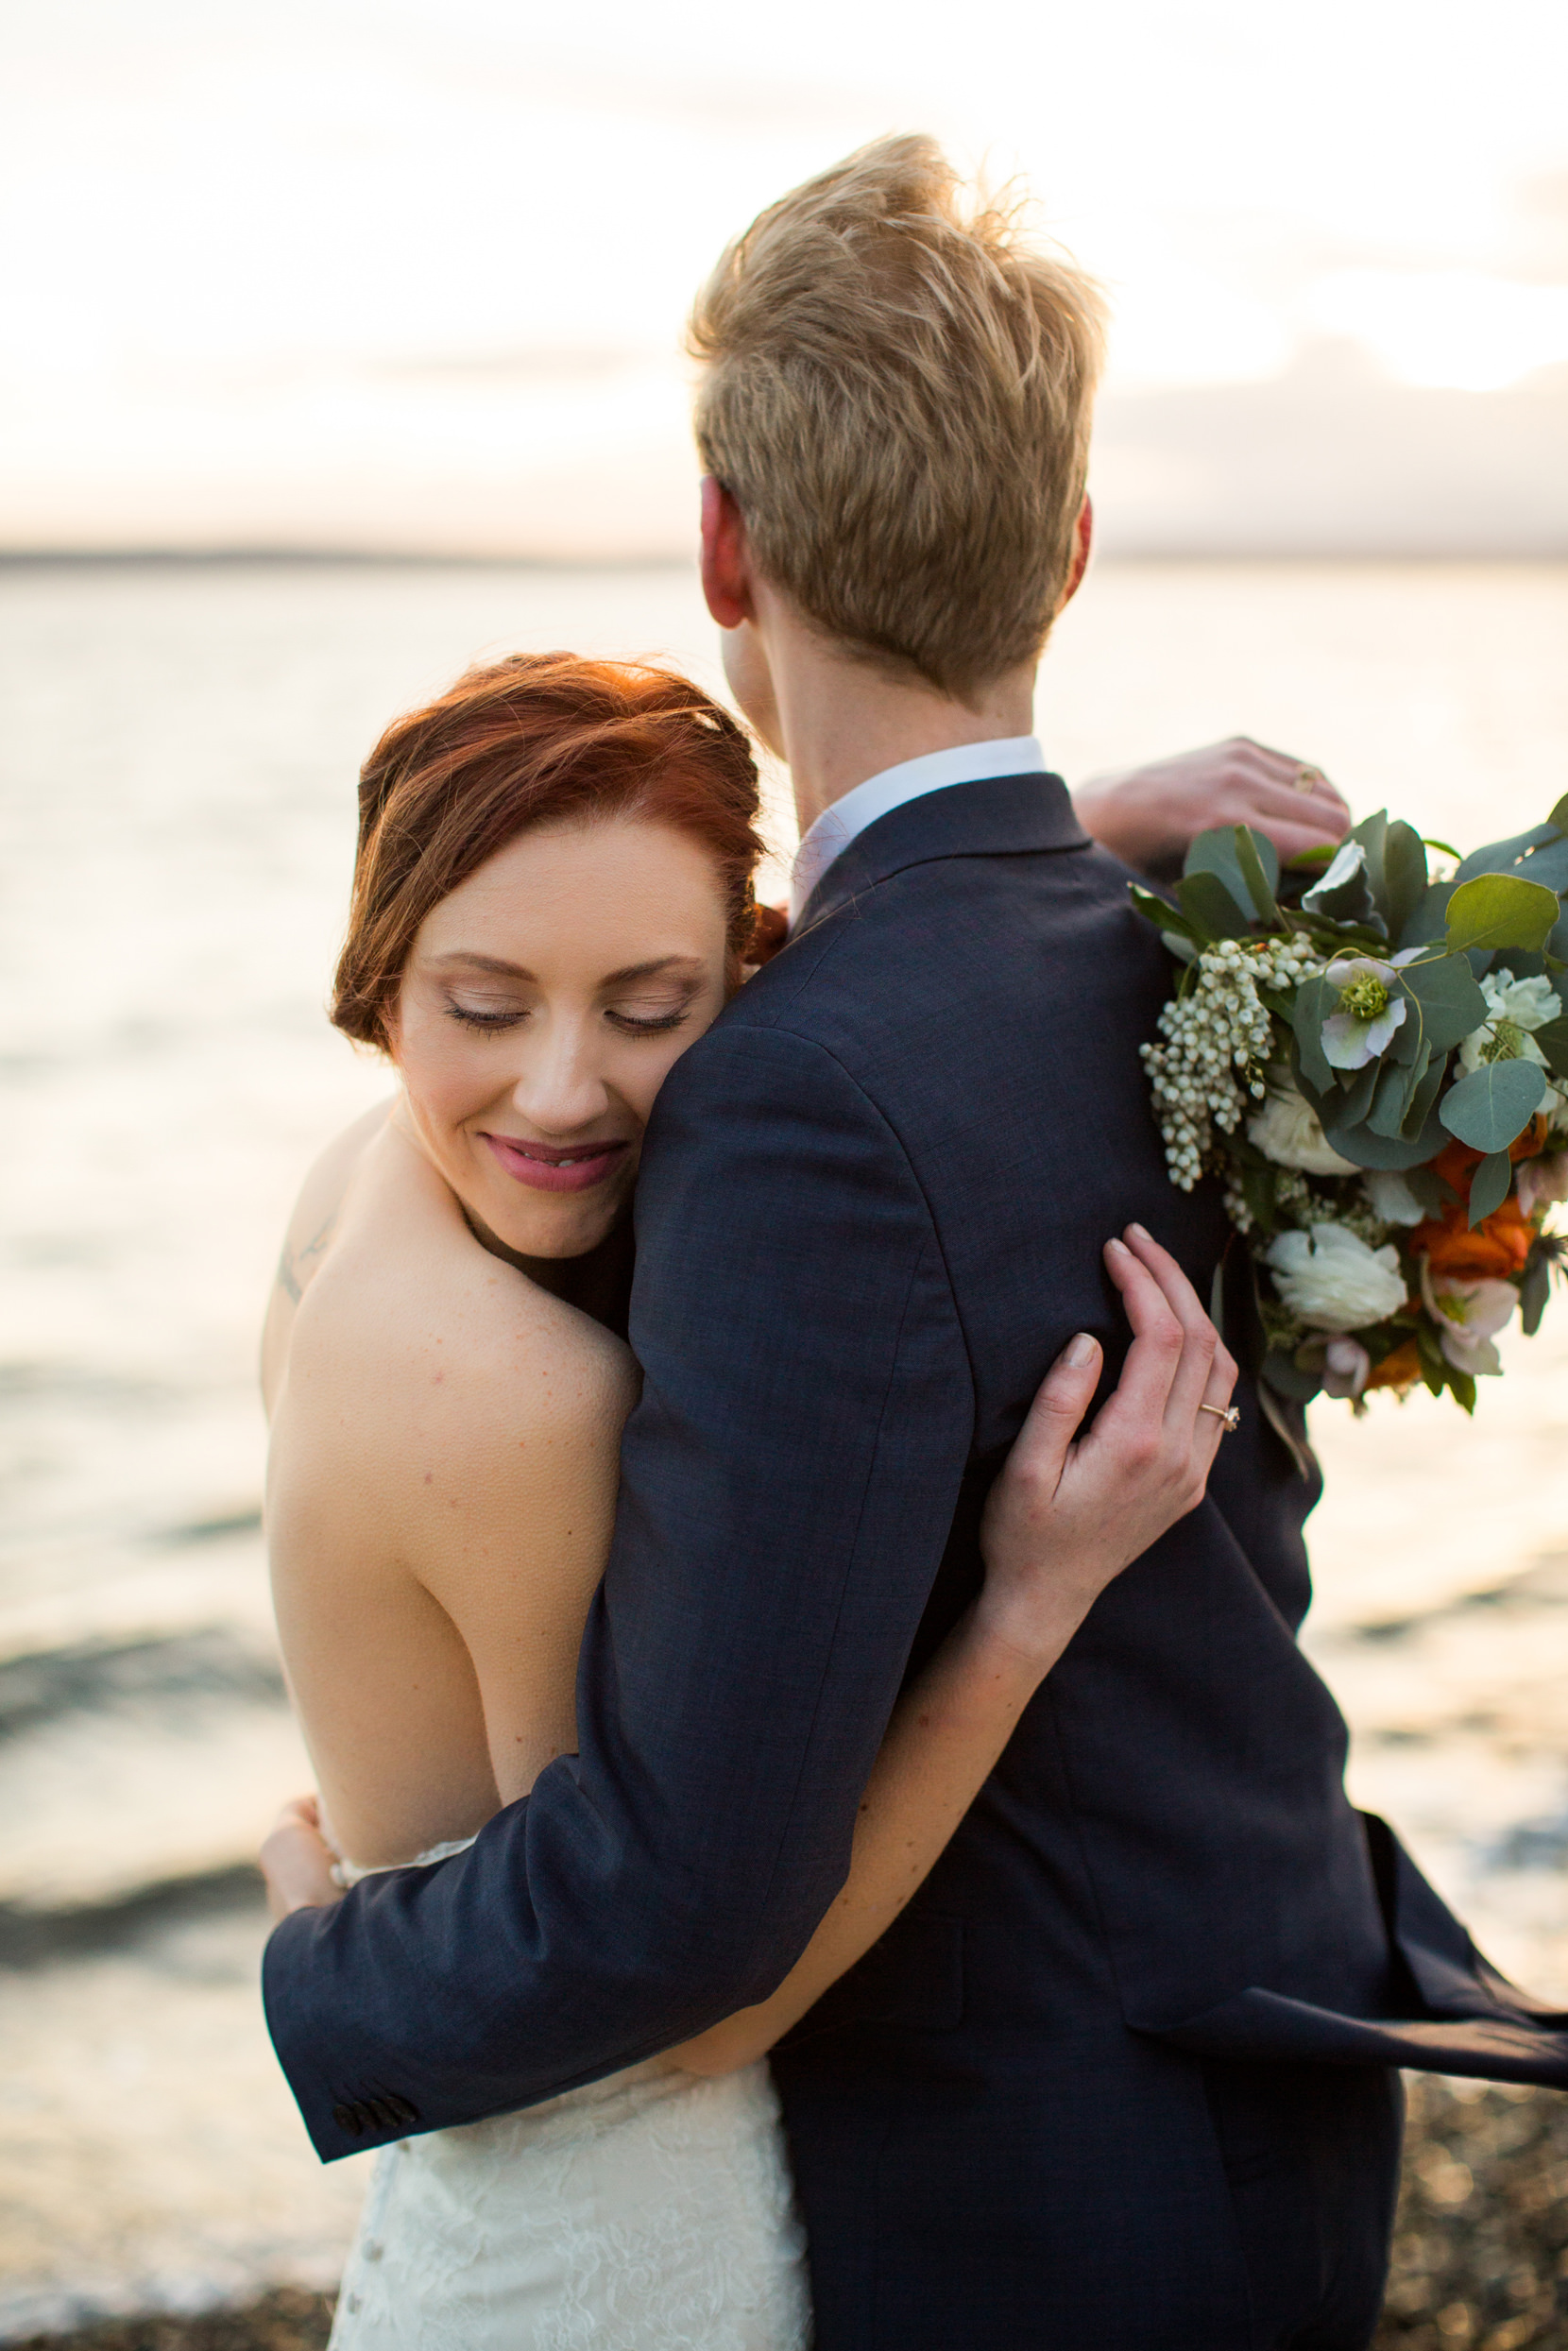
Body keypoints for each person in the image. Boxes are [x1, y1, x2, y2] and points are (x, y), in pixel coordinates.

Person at [263, 137, 1568, 2349]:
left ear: (717, 544)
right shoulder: (1176, 948)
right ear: (1065, 552)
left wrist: (324, 1968)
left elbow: (687, 1905)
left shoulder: (789, 1099)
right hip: (1277, 2059)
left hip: (1039, 2195)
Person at [260, 651, 1242, 2346]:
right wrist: (1031, 1595)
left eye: (651, 1010)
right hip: (626, 2247)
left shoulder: (354, 1185)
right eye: (485, 1007)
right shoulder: (516, 1397)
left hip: (458, 2220)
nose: (563, 1088)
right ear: (380, 985)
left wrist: (1054, 835)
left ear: (753, 972)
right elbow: (696, 1997)